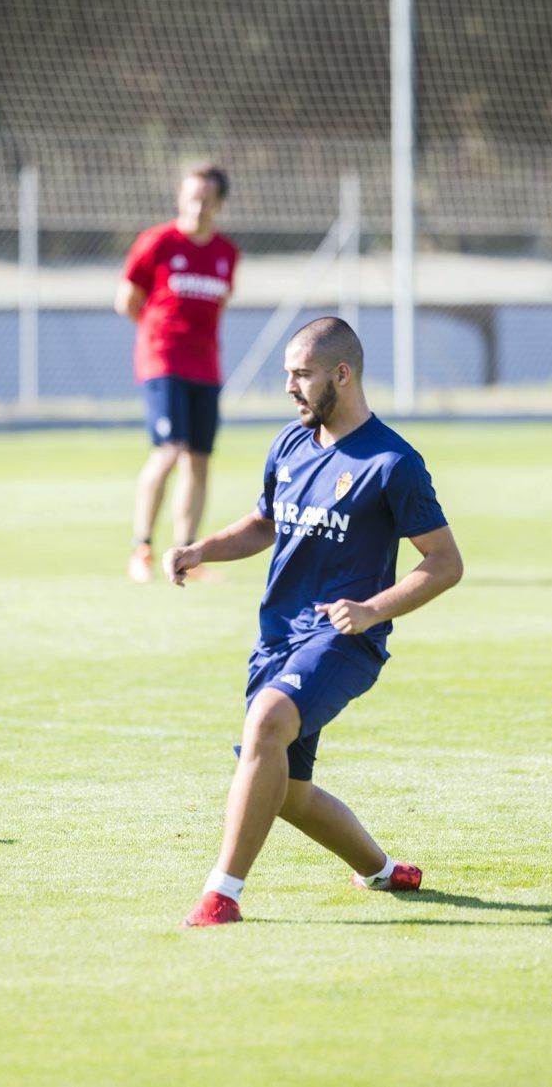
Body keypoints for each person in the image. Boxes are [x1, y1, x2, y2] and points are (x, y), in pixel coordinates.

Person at [163, 316, 463, 927]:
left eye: (301, 375)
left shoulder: (392, 462)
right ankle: (381, 870)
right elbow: (265, 523)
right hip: (277, 637)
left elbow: (445, 563)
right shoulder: (290, 444)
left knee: (266, 722)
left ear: (342, 375)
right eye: (288, 375)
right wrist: (200, 550)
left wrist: (372, 610)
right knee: (288, 795)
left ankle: (222, 895)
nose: (290, 388)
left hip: (345, 640)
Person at [115, 164, 238, 583]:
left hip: (206, 367)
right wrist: (156, 335)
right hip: (163, 361)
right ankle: (141, 547)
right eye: (190, 196)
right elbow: (126, 300)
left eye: (205, 198)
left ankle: (187, 555)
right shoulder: (158, 242)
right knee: (169, 450)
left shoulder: (226, 253)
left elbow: (217, 306)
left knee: (199, 461)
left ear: (219, 203)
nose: (196, 206)